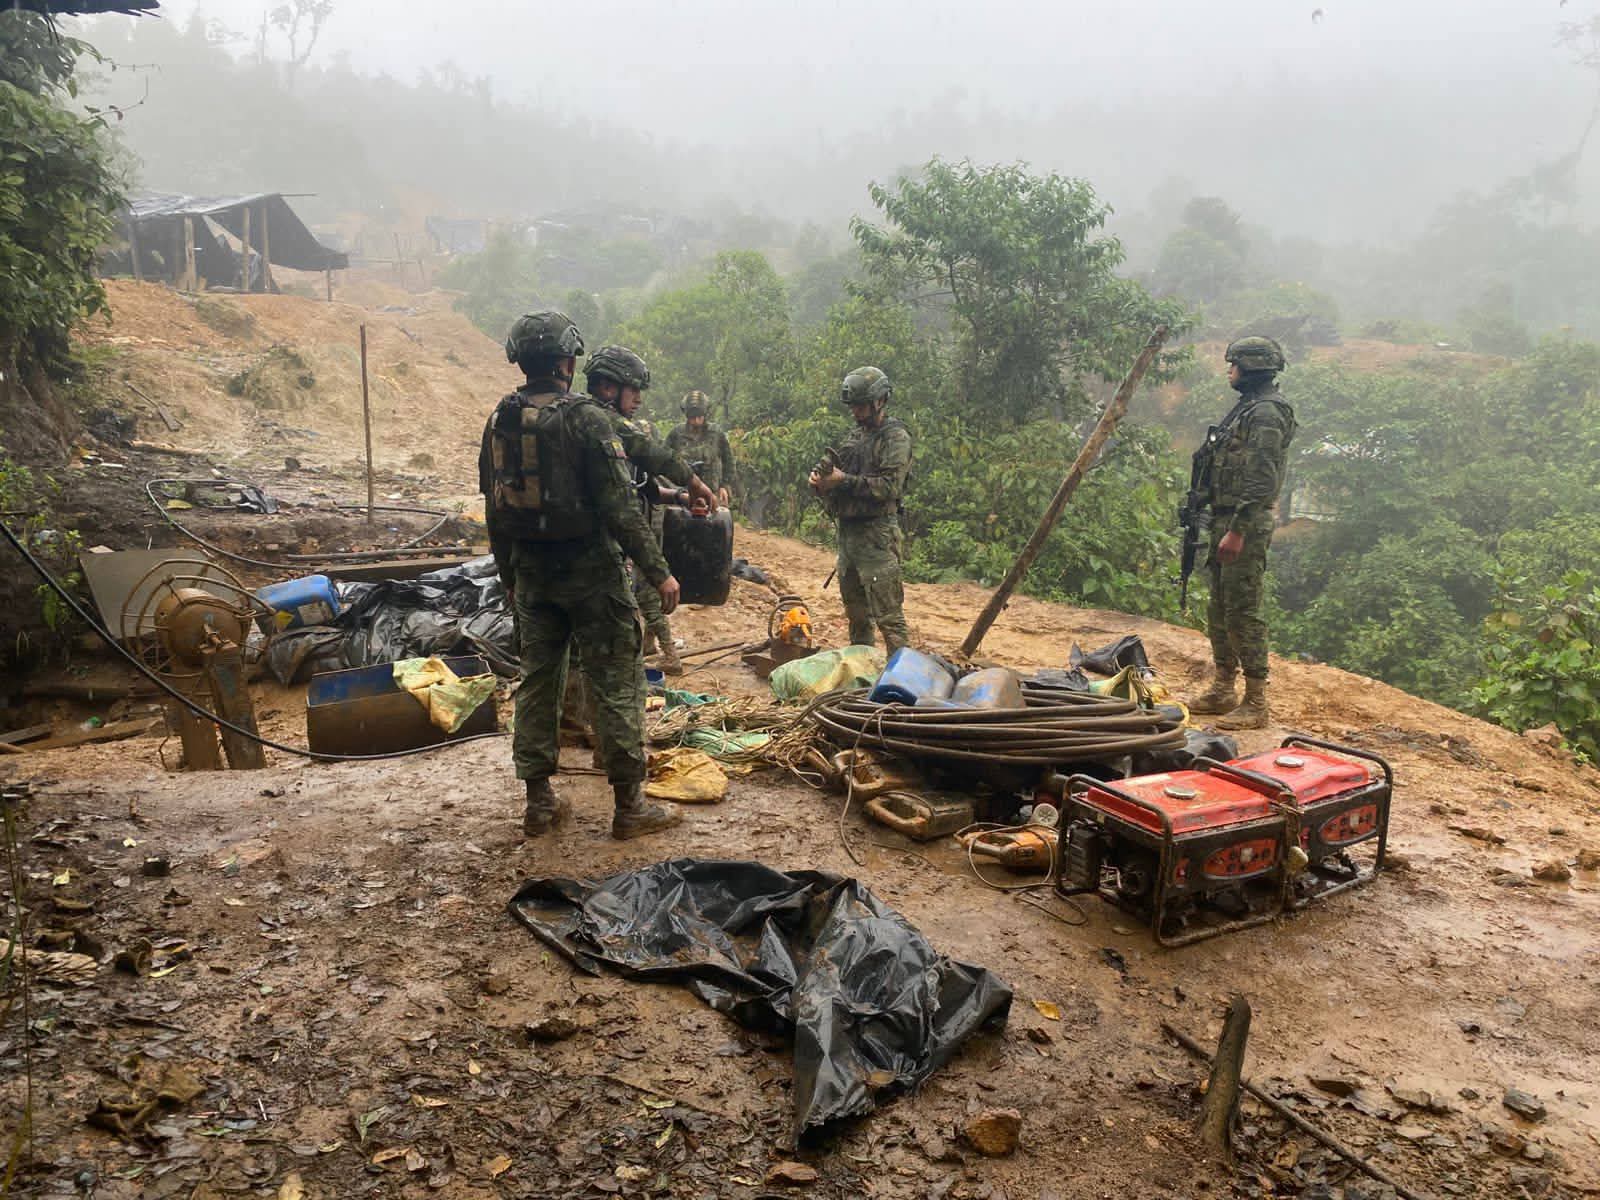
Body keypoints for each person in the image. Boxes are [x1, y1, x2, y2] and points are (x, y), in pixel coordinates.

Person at [479, 311, 684, 840]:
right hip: (593, 574)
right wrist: (658, 572)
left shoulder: (500, 417)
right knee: (616, 681)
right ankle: (630, 806)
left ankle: (539, 802)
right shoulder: (588, 419)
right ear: (569, 362)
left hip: (532, 577)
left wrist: (508, 574)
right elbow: (620, 508)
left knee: (538, 684)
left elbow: (495, 508)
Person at [1186, 336, 1297, 730]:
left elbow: (1261, 479)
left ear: (1250, 368)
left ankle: (1256, 701)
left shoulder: (1267, 413)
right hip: (1226, 517)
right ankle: (1222, 688)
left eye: (1233, 364)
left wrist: (1237, 531)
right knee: (1219, 605)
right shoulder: (1246, 409)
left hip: (1243, 523)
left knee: (1243, 609)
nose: (1229, 371)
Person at [583, 345, 711, 677]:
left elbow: (648, 488)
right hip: (603, 547)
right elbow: (626, 499)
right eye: (633, 389)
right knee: (640, 596)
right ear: (609, 387)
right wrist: (693, 481)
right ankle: (665, 655)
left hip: (620, 542)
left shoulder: (610, 430)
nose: (638, 398)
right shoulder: (597, 425)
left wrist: (683, 498)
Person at [808, 366, 913, 653]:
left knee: (889, 618)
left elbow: (890, 486)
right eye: (853, 406)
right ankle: (862, 674)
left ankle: (901, 682)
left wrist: (843, 480)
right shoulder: (855, 437)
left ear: (879, 401)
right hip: (849, 537)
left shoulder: (895, 438)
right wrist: (821, 482)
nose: (855, 411)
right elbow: (836, 476)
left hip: (877, 536)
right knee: (857, 618)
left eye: (861, 405)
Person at [666, 390, 736, 506]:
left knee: (720, 522)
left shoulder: (716, 433)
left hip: (713, 494)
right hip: (684, 496)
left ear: (705, 414)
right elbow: (664, 461)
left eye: (700, 416)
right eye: (693, 417)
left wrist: (725, 486)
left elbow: (729, 461)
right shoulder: (676, 434)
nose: (697, 421)